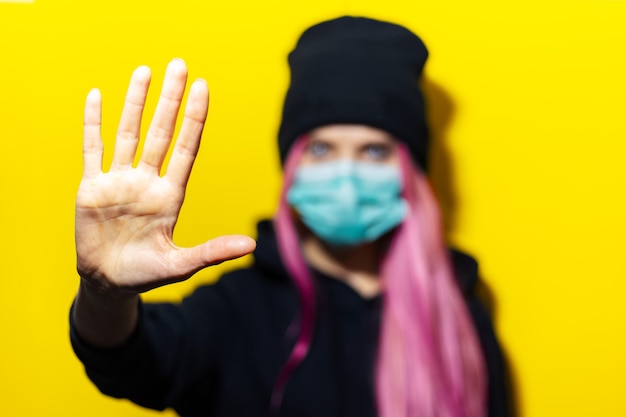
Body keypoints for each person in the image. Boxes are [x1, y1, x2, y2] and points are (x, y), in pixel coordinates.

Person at [70, 16, 509, 417]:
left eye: (374, 151)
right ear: (292, 166)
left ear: (410, 171)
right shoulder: (238, 308)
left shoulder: (458, 311)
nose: (346, 174)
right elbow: (131, 361)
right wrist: (105, 294)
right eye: (321, 149)